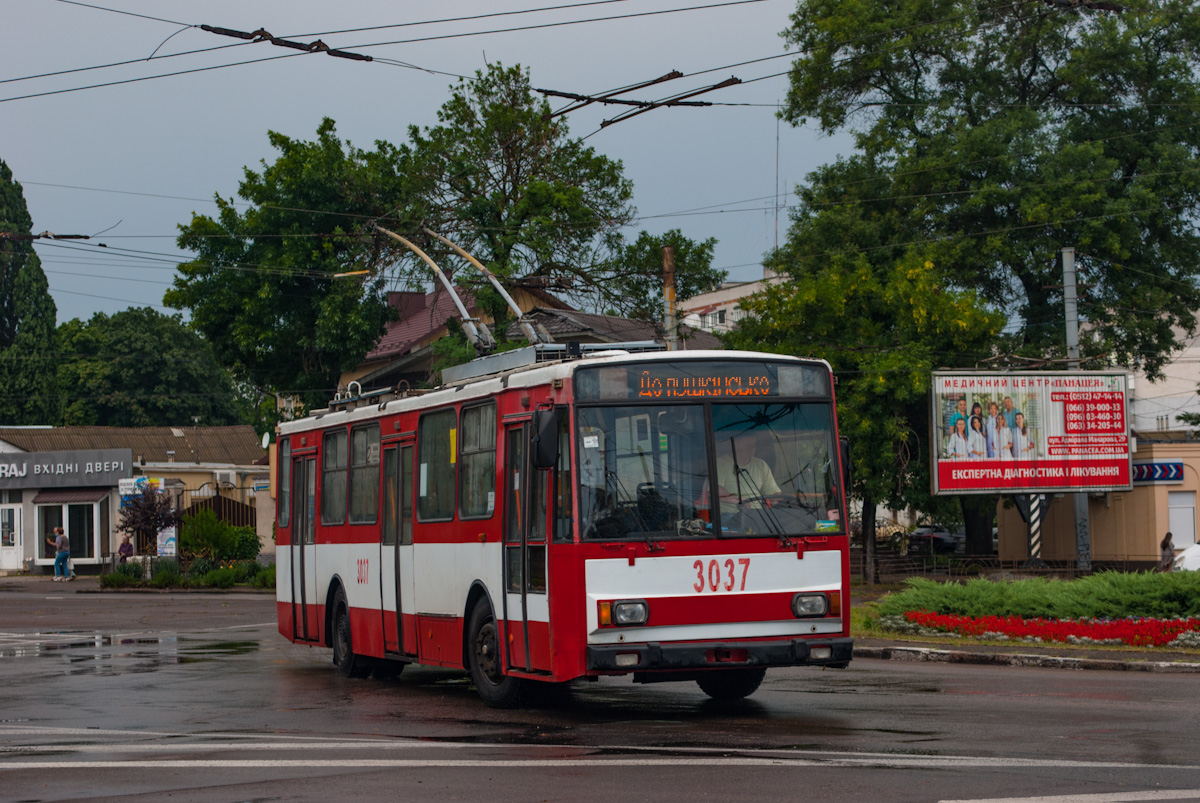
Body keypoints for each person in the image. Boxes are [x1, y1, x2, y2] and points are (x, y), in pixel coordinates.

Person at [714, 432, 781, 512]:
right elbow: (716, 489)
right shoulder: (721, 463)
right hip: (730, 515)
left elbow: (772, 491)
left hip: (758, 515)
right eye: (747, 446)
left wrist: (777, 498)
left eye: (753, 446)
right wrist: (738, 500)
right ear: (735, 445)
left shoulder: (761, 465)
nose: (751, 449)